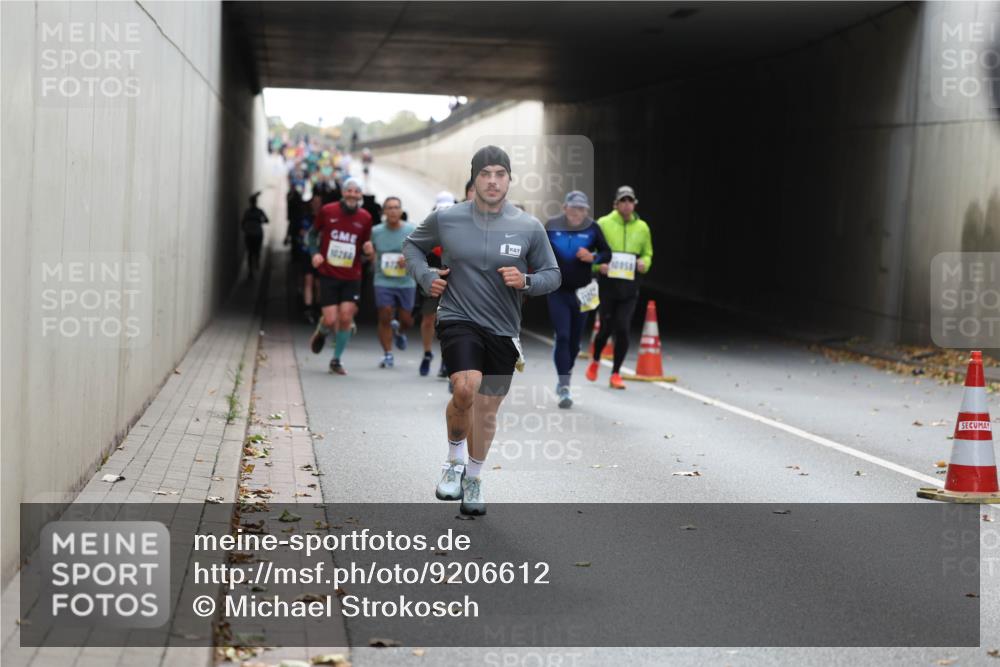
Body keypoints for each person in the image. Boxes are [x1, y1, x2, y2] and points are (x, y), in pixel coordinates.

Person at [403, 145, 561, 515]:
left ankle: (473, 477)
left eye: (500, 174)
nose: (493, 181)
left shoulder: (528, 226)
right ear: (474, 180)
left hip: (504, 328)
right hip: (458, 317)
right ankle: (453, 462)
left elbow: (553, 276)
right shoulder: (447, 219)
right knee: (465, 387)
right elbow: (412, 246)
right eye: (485, 174)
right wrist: (426, 276)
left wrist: (525, 281)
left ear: (509, 179)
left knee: (486, 411)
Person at [545, 191, 611, 408]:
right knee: (562, 336)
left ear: (586, 211)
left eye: (582, 209)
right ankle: (564, 385)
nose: (577, 213)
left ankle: (566, 372)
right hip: (558, 291)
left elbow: (606, 253)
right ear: (565, 208)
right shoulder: (552, 225)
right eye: (573, 208)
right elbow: (538, 252)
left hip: (583, 293)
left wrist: (594, 257)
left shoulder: (592, 228)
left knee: (574, 342)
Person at [585, 185, 653, 390]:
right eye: (622, 200)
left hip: (630, 287)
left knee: (622, 328)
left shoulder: (642, 227)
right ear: (616, 203)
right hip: (608, 285)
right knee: (606, 328)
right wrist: (599, 265)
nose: (626, 204)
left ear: (634, 204)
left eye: (630, 200)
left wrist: (644, 263)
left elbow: (648, 253)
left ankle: (616, 373)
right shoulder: (603, 223)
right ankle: (596, 360)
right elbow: (591, 251)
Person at [308, 178, 374, 375]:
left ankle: (336, 360)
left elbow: (364, 246)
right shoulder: (328, 211)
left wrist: (368, 250)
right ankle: (322, 330)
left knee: (345, 317)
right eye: (349, 191)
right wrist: (315, 253)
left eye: (356, 191)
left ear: (360, 195)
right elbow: (312, 234)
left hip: (352, 275)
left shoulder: (365, 217)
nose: (352, 194)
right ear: (343, 193)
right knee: (330, 319)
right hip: (328, 273)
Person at [368, 196, 417, 368]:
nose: (393, 211)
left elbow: (422, 252)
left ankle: (400, 330)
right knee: (385, 314)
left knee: (407, 320)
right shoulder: (376, 231)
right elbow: (369, 250)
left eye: (396, 207)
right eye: (389, 208)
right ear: (384, 212)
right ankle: (388, 354)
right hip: (383, 280)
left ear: (401, 211)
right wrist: (369, 254)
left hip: (406, 281)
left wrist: (409, 259)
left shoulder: (412, 230)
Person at [417, 191, 457, 377]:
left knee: (450, 323)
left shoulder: (463, 226)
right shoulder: (428, 225)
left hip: (456, 282)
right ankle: (427, 354)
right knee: (428, 320)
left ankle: (446, 360)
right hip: (434, 279)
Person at [241, 192, 268, 278]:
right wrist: (259, 221)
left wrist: (246, 229)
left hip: (250, 234)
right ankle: (255, 264)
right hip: (257, 234)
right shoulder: (259, 211)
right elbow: (267, 220)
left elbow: (242, 223)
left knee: (250, 252)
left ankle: (251, 271)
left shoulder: (247, 212)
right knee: (256, 250)